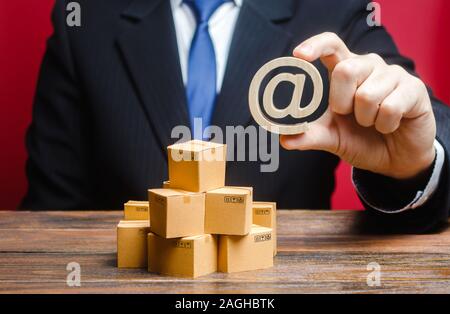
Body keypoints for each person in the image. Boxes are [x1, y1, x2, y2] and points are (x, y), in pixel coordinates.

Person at [22, 0, 450, 233]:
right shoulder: (85, 17)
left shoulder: (333, 9)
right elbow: (50, 215)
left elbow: (423, 116)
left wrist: (414, 166)